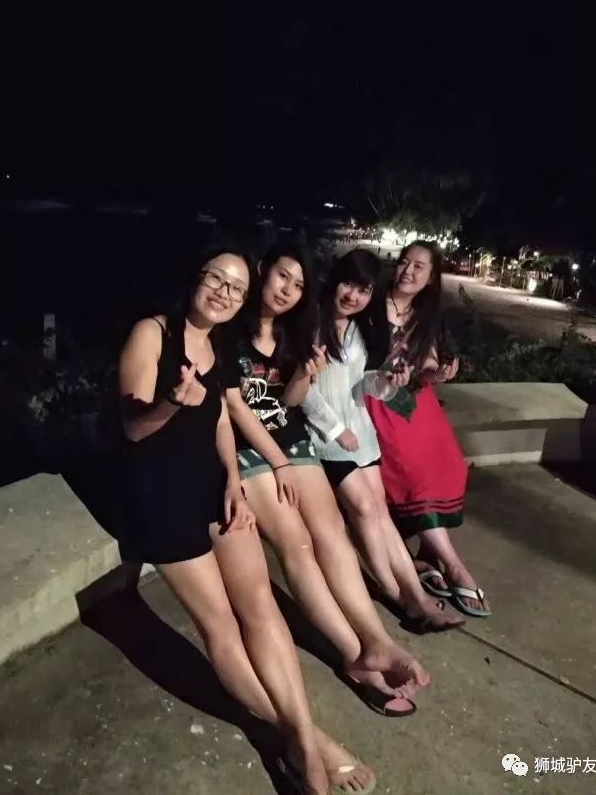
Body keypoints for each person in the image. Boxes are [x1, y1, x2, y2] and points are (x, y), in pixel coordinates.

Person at [115, 246, 375, 795]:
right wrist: (171, 402)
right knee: (223, 626)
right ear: (196, 278)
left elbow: (221, 422)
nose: (224, 293)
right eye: (217, 279)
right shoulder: (153, 333)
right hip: (162, 499)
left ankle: (301, 735)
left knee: (261, 607)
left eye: (235, 288)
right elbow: (133, 427)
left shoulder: (217, 345)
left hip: (213, 487)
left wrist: (234, 480)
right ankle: (308, 741)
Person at [223, 242, 431, 720]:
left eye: (298, 285)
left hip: (291, 440)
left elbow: (292, 400)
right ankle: (353, 652)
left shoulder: (294, 332)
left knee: (333, 533)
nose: (287, 290)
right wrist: (278, 461)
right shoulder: (230, 332)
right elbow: (233, 406)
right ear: (262, 271)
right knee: (297, 545)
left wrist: (302, 373)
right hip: (251, 449)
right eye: (282, 277)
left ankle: (375, 637)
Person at [301, 249, 464, 631]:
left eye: (363, 290)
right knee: (363, 508)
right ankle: (396, 594)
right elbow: (304, 388)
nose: (353, 296)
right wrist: (336, 431)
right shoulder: (311, 325)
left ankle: (416, 595)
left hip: (360, 431)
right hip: (326, 436)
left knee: (379, 510)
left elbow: (364, 383)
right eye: (348, 284)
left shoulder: (359, 329)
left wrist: (386, 382)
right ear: (334, 280)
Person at [367, 241, 491, 618]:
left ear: (432, 277)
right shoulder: (372, 303)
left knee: (448, 463)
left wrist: (440, 373)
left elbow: (428, 365)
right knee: (413, 468)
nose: (408, 271)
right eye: (404, 262)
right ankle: (453, 565)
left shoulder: (426, 316)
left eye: (419, 267)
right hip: (374, 398)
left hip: (413, 399)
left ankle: (426, 554)